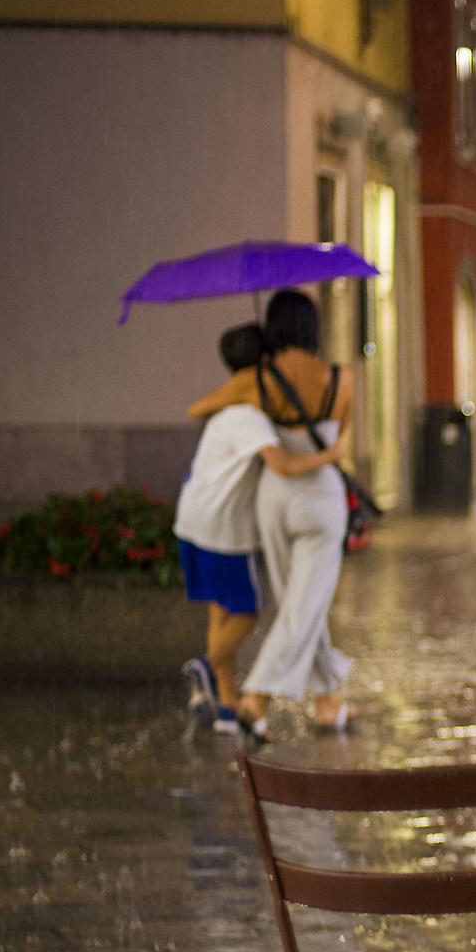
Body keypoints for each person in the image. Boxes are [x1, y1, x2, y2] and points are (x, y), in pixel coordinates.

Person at [191, 290, 358, 739]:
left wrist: (245, 402)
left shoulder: (255, 380)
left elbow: (199, 408)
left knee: (300, 604)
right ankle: (257, 697)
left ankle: (328, 703)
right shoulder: (342, 379)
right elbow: (340, 437)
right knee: (304, 604)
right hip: (321, 498)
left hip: (274, 498)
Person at [175, 322, 277, 732]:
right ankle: (204, 666)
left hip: (192, 519)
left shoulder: (224, 409)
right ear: (265, 361)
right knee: (249, 612)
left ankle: (225, 704)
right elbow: (280, 465)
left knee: (221, 606)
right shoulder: (251, 417)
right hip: (226, 529)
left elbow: (195, 408)